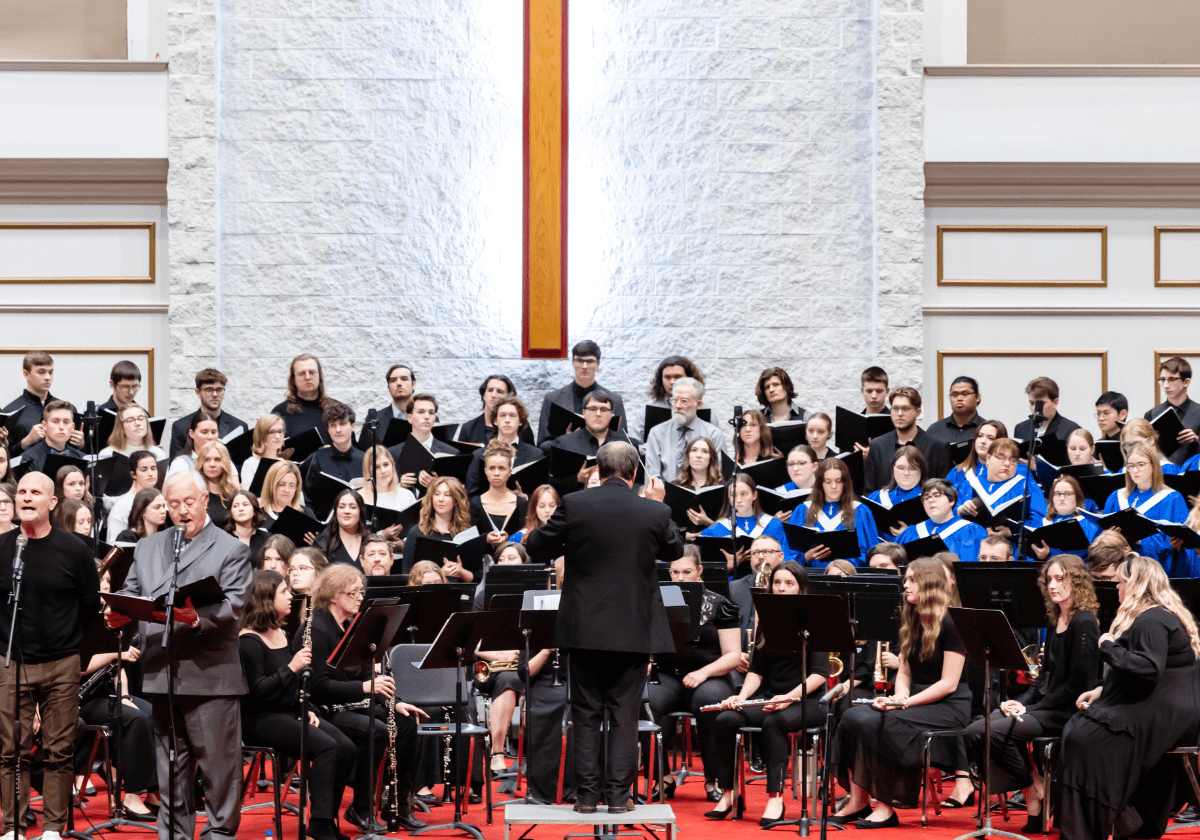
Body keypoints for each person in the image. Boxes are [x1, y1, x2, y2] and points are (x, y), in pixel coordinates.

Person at [526, 441, 683, 813]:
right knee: (624, 716)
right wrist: (661, 504)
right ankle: (617, 798)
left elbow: (535, 545)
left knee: (585, 714)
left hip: (583, 630)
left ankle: (585, 798)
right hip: (633, 630)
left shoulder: (577, 504)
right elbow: (675, 552)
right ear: (633, 474)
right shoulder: (653, 511)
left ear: (599, 468)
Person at [112, 471, 252, 840]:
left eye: (189, 502)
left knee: (218, 768)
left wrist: (197, 619)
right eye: (173, 504)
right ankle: (174, 835)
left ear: (205, 499)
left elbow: (234, 604)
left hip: (210, 675)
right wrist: (119, 613)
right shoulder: (148, 547)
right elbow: (132, 594)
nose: (181, 511)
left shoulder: (230, 548)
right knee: (171, 769)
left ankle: (220, 833)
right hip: (162, 672)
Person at [1059, 555, 1200, 840]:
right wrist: (1102, 690)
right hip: (1171, 708)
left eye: (1120, 583)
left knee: (1082, 734)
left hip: (1163, 712)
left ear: (1136, 586)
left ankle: (1114, 817)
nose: (1117, 589)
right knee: (1079, 730)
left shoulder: (1152, 618)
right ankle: (1123, 815)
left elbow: (1148, 667)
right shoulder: (1160, 615)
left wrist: (1108, 646)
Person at [830, 557, 973, 828]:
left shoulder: (953, 623)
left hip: (949, 705)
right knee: (851, 716)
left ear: (928, 585)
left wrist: (905, 704)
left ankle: (886, 806)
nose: (904, 585)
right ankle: (858, 800)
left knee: (883, 722)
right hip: (915, 699)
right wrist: (899, 696)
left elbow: (949, 684)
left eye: (910, 580)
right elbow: (905, 672)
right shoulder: (911, 617)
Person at [962, 555, 1101, 834]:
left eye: (1060, 578)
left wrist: (1033, 709)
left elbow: (1078, 685)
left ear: (1077, 582)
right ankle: (1034, 786)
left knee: (994, 732)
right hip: (1045, 706)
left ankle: (1036, 798)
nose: (1052, 585)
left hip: (1066, 711)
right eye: (1049, 579)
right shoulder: (1055, 619)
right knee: (977, 729)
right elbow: (1043, 678)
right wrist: (1022, 702)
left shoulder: (1084, 622)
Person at [0, 472, 100, 840]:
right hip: (12, 660)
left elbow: (90, 606)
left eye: (35, 492)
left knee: (59, 749)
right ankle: (12, 827)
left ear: (52, 503)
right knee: (12, 749)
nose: (26, 497)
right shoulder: (3, 547)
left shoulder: (74, 549)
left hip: (61, 661)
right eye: (21, 491)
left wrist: (72, 649)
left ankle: (54, 829)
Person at [298, 564, 425, 832]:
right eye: (353, 593)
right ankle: (362, 806)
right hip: (322, 709)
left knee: (405, 724)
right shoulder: (317, 629)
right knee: (375, 730)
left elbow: (365, 676)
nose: (360, 598)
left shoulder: (348, 626)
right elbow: (319, 686)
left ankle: (399, 806)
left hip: (349, 703)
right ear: (334, 595)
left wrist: (395, 702)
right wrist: (367, 688)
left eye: (360, 592)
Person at [238, 569, 357, 840]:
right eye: (283, 592)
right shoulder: (248, 641)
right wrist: (291, 668)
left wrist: (307, 711)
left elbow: (294, 688)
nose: (290, 596)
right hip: (259, 718)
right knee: (327, 747)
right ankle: (321, 823)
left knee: (347, 748)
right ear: (266, 598)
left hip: (287, 712)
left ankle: (326, 820)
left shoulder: (280, 633)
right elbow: (257, 693)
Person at [708, 561, 828, 824]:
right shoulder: (768, 619)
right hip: (772, 697)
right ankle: (729, 793)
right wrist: (742, 698)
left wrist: (788, 698)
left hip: (809, 699)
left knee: (775, 723)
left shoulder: (815, 618)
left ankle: (775, 797)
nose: (781, 589)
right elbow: (757, 670)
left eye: (789, 583)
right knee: (726, 719)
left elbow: (819, 674)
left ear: (801, 588)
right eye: (777, 583)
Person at [649, 550, 741, 801]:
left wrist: (703, 673)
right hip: (669, 675)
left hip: (711, 675)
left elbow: (733, 655)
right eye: (675, 572)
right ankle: (662, 776)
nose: (680, 577)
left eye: (686, 571)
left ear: (699, 571)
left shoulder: (721, 603)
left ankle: (714, 779)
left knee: (709, 703)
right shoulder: (658, 601)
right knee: (644, 702)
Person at [1101, 442, 1187, 567]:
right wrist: (1109, 536)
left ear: (1153, 465)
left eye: (1141, 465)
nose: (1135, 470)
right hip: (1119, 566)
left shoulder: (1172, 498)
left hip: (1154, 568)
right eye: (1131, 466)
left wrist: (1140, 540)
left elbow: (1177, 543)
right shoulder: (1116, 497)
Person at [789, 458, 880, 567]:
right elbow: (788, 554)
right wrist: (806, 557)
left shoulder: (860, 511)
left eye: (839, 481)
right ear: (820, 483)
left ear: (845, 483)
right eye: (828, 481)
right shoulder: (803, 511)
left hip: (850, 578)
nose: (833, 486)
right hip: (812, 578)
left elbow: (874, 555)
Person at [536, 340, 628, 448]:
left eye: (590, 361)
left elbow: (624, 444)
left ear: (598, 364)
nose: (584, 366)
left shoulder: (615, 401)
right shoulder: (552, 399)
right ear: (573, 363)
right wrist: (565, 442)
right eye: (579, 361)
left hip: (602, 462)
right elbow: (542, 445)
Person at [863, 387, 951, 495]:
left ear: (918, 412)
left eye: (905, 409)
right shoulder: (877, 445)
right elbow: (869, 490)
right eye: (895, 408)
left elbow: (945, 490)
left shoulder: (938, 446)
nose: (899, 414)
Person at [701, 474, 796, 571]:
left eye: (743, 494)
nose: (738, 500)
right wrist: (728, 567)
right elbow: (706, 571)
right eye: (733, 495)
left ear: (754, 495)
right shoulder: (716, 530)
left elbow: (785, 560)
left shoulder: (773, 525)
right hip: (731, 584)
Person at [548, 389, 636, 494]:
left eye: (603, 409)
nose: (598, 414)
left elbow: (639, 481)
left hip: (618, 503)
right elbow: (551, 484)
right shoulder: (563, 443)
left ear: (611, 413)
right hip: (578, 504)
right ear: (584, 412)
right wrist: (577, 479)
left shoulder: (626, 443)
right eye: (593, 409)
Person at [957, 437, 1047, 537]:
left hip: (1010, 547)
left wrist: (1013, 532)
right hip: (972, 543)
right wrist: (960, 510)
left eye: (1013, 461)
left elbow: (1039, 520)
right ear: (988, 459)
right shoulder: (970, 483)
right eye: (1001, 458)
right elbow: (950, 514)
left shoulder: (1026, 485)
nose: (1007, 464)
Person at [644, 377, 728, 482]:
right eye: (674, 400)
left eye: (684, 401)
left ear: (698, 404)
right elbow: (651, 476)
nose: (677, 406)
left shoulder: (714, 434)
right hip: (663, 495)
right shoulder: (657, 433)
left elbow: (719, 475)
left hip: (702, 494)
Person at [4, 352, 80, 458]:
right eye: (41, 372)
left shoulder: (67, 409)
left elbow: (77, 452)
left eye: (50, 372)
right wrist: (26, 442)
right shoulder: (10, 412)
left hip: (64, 470)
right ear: (26, 374)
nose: (48, 377)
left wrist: (82, 445)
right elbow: (4, 459)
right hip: (26, 471)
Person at [463, 395, 542, 496]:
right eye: (502, 415)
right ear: (495, 421)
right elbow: (470, 495)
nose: (507, 420)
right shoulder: (478, 455)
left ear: (521, 421)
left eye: (512, 415)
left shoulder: (536, 455)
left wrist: (525, 498)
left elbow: (541, 494)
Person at [400, 477, 474, 581]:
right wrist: (440, 574)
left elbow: (476, 577)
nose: (441, 499)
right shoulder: (416, 532)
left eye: (447, 495)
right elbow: (406, 575)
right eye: (437, 494)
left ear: (456, 500)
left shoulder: (467, 534)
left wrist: (460, 571)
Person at [896, 478, 987, 563]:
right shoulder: (911, 532)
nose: (931, 500)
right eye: (926, 498)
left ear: (951, 500)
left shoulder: (971, 531)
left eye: (936, 495)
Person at [168, 369, 246, 461]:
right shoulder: (181, 426)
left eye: (219, 390)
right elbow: (176, 466)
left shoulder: (238, 426)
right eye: (209, 390)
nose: (215, 394)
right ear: (198, 393)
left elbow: (242, 466)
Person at [305, 402, 365, 518]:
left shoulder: (365, 459)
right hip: (324, 527)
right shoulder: (316, 459)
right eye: (333, 425)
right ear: (328, 430)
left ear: (352, 427)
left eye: (342, 424)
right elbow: (307, 499)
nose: (338, 430)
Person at [469, 441, 528, 550]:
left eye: (501, 468)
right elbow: (468, 540)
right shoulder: (475, 503)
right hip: (483, 563)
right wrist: (485, 539)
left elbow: (526, 537)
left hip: (513, 563)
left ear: (510, 472)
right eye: (492, 468)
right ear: (485, 471)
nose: (496, 473)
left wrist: (509, 539)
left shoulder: (522, 503)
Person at [391, 394, 456, 492]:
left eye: (431, 412)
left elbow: (458, 494)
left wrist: (437, 485)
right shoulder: (392, 453)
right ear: (410, 418)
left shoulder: (451, 453)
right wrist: (399, 487)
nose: (427, 417)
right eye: (421, 412)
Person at [1030, 476, 1102, 562]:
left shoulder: (1088, 524)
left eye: (1067, 494)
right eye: (1057, 494)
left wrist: (1051, 552)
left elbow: (1093, 555)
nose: (1062, 498)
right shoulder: (1040, 524)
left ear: (1077, 497)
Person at [1145, 356, 1200, 466]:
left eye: (1171, 379)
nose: (1165, 385)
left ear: (1186, 382)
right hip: (1161, 478)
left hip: (1194, 478)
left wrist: (1196, 439)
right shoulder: (1151, 415)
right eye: (1163, 380)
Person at [358, 446, 417, 547]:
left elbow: (417, 530)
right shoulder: (360, 497)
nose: (383, 471)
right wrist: (382, 535)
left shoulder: (407, 495)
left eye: (386, 464)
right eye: (377, 467)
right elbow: (355, 536)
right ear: (369, 471)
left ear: (392, 465)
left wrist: (403, 544)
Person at [271, 354, 339, 439]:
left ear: (319, 376)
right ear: (293, 379)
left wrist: (329, 451)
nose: (307, 377)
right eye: (302, 373)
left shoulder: (338, 409)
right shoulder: (280, 412)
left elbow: (353, 449)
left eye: (312, 372)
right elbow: (271, 449)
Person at [866, 445, 928, 537]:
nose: (906, 473)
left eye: (913, 468)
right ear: (893, 469)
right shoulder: (876, 497)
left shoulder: (931, 500)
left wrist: (911, 534)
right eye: (901, 468)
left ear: (921, 470)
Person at [458, 374, 535, 447]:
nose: (494, 395)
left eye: (500, 391)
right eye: (490, 390)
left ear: (509, 397)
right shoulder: (468, 428)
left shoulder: (521, 426)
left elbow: (531, 454)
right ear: (484, 395)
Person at [947, 419, 1010, 504]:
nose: (983, 441)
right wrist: (959, 510)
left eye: (990, 438)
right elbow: (943, 504)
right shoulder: (958, 471)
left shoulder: (1011, 472)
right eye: (980, 436)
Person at [16, 400, 86, 476]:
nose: (61, 427)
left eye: (66, 422)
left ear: (73, 427)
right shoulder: (28, 459)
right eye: (56, 421)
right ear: (44, 425)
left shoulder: (82, 458)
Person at [105, 451, 162, 541]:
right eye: (144, 470)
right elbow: (113, 544)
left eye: (153, 468)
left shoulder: (162, 501)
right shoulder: (122, 506)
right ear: (133, 474)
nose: (150, 473)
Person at [1014, 376, 1082, 446]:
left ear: (1055, 402)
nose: (1034, 408)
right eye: (1032, 403)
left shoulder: (1071, 430)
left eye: (1041, 403)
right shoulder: (1020, 428)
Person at [313, 489, 372, 569]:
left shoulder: (370, 541)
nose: (346, 511)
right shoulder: (323, 542)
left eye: (353, 507)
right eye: (341, 507)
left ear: (360, 511)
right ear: (336, 511)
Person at [928, 376, 987, 445]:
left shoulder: (987, 429)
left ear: (977, 397)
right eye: (954, 394)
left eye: (965, 394)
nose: (959, 398)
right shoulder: (935, 430)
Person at [163, 412, 219, 485]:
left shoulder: (225, 461)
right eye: (204, 432)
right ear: (191, 433)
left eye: (213, 432)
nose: (210, 437)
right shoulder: (180, 464)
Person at [195, 440, 239, 529]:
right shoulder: (194, 495)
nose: (212, 464)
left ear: (225, 462)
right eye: (207, 460)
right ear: (201, 463)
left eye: (217, 459)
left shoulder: (235, 495)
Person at [100, 404, 166, 461]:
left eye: (141, 419)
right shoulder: (107, 454)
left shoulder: (158, 453)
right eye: (130, 420)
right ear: (121, 426)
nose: (137, 423)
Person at [260, 460, 313, 526]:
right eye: (282, 484)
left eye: (292, 485)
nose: (287, 490)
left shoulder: (307, 514)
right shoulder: (257, 515)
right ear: (271, 485)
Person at [238, 414, 285, 489]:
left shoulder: (284, 464)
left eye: (280, 431)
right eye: (272, 432)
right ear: (262, 436)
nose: (277, 436)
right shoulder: (251, 464)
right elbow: (250, 496)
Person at [375, 363, 415, 446]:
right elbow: (365, 453)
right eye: (393, 380)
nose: (399, 383)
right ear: (389, 388)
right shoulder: (375, 419)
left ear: (413, 385)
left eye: (404, 379)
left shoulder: (428, 417)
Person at [223, 489, 269, 558]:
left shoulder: (267, 539)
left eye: (245, 505)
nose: (241, 509)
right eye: (235, 506)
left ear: (254, 510)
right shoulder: (222, 540)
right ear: (231, 512)